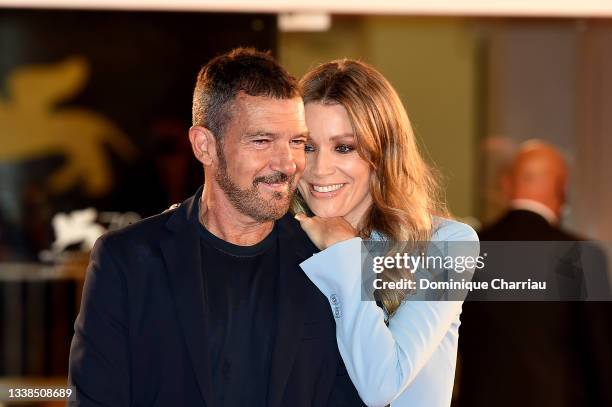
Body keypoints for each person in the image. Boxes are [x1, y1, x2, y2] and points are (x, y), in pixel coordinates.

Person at [68, 48, 364, 406]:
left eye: (297, 142)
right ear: (204, 146)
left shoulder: (335, 259)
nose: (288, 163)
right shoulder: (127, 260)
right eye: (262, 140)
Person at [292, 59, 479, 407]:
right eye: (307, 146)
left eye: (344, 147)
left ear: (382, 153)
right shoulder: (284, 241)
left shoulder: (446, 244)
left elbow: (381, 384)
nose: (319, 169)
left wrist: (347, 253)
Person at [458, 140, 612, 406]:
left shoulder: (467, 250)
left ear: (506, 185)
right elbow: (601, 357)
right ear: (562, 190)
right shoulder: (582, 256)